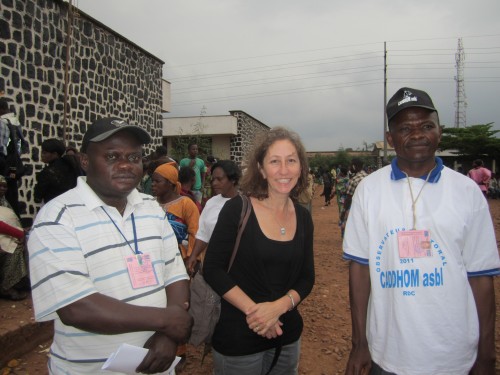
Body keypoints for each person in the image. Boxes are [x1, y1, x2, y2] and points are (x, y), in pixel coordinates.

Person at [343, 87, 500, 375]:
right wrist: (359, 343)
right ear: (391, 139)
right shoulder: (369, 190)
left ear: (439, 131)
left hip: (454, 358)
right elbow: (360, 270)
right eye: (406, 128)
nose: (417, 134)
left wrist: (487, 355)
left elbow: (481, 277)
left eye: (427, 126)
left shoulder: (467, 192)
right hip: (387, 356)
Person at [28, 117, 193, 375]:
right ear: (85, 161)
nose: (126, 165)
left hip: (158, 364)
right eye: (113, 156)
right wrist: (166, 321)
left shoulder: (152, 208)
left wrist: (168, 337)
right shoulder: (57, 218)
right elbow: (76, 307)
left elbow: (175, 275)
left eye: (135, 157)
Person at [203, 127, 315, 375]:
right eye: (275, 161)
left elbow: (307, 277)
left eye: (291, 161)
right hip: (239, 337)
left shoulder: (304, 217)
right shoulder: (237, 210)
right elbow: (212, 268)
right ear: (262, 169)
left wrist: (278, 308)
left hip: (287, 336)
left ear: (300, 167)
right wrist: (258, 313)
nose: (284, 170)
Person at [185, 160, 242, 275]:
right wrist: (193, 256)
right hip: (212, 264)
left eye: (219, 179)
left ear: (233, 180)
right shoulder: (211, 203)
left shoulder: (245, 205)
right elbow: (203, 233)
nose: (214, 183)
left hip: (237, 267)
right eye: (213, 179)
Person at [152, 163, 200, 260]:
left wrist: (192, 259)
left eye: (157, 181)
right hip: (155, 256)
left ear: (170, 183)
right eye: (152, 181)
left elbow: (195, 233)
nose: (153, 184)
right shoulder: (150, 203)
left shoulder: (186, 203)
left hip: (180, 258)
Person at [0, 175, 28, 300]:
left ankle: (18, 282)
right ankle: (6, 287)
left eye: (4, 186)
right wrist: (19, 233)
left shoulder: (5, 201)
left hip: (4, 234)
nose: (2, 189)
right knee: (13, 249)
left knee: (21, 244)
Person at [34, 138, 80, 204]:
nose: (42, 155)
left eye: (44, 153)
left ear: (55, 154)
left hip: (54, 207)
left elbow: (37, 198)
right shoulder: (72, 165)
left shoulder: (48, 172)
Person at [339, 158, 367, 234]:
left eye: (351, 165)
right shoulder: (368, 177)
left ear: (354, 166)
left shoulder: (354, 180)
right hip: (367, 209)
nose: (349, 167)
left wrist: (343, 213)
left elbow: (348, 199)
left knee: (350, 230)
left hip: (355, 210)